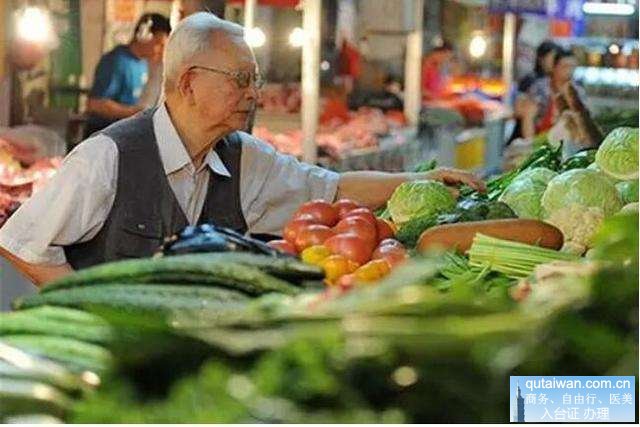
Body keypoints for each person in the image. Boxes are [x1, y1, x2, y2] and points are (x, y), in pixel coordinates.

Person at [0, 13, 484, 287]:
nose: (254, 94)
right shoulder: (108, 157)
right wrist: (84, 300)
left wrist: (418, 179)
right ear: (189, 83)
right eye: (241, 80)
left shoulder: (243, 156)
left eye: (255, 80)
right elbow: (20, 240)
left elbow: (331, 190)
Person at [84, 13, 171, 137]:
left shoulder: (143, 64)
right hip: (101, 135)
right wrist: (135, 113)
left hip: (122, 134)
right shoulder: (115, 61)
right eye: (158, 43)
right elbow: (95, 104)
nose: (161, 51)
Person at [509, 41, 558, 142]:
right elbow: (518, 109)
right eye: (552, 58)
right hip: (525, 135)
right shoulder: (529, 80)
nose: (554, 62)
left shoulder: (555, 80)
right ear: (541, 59)